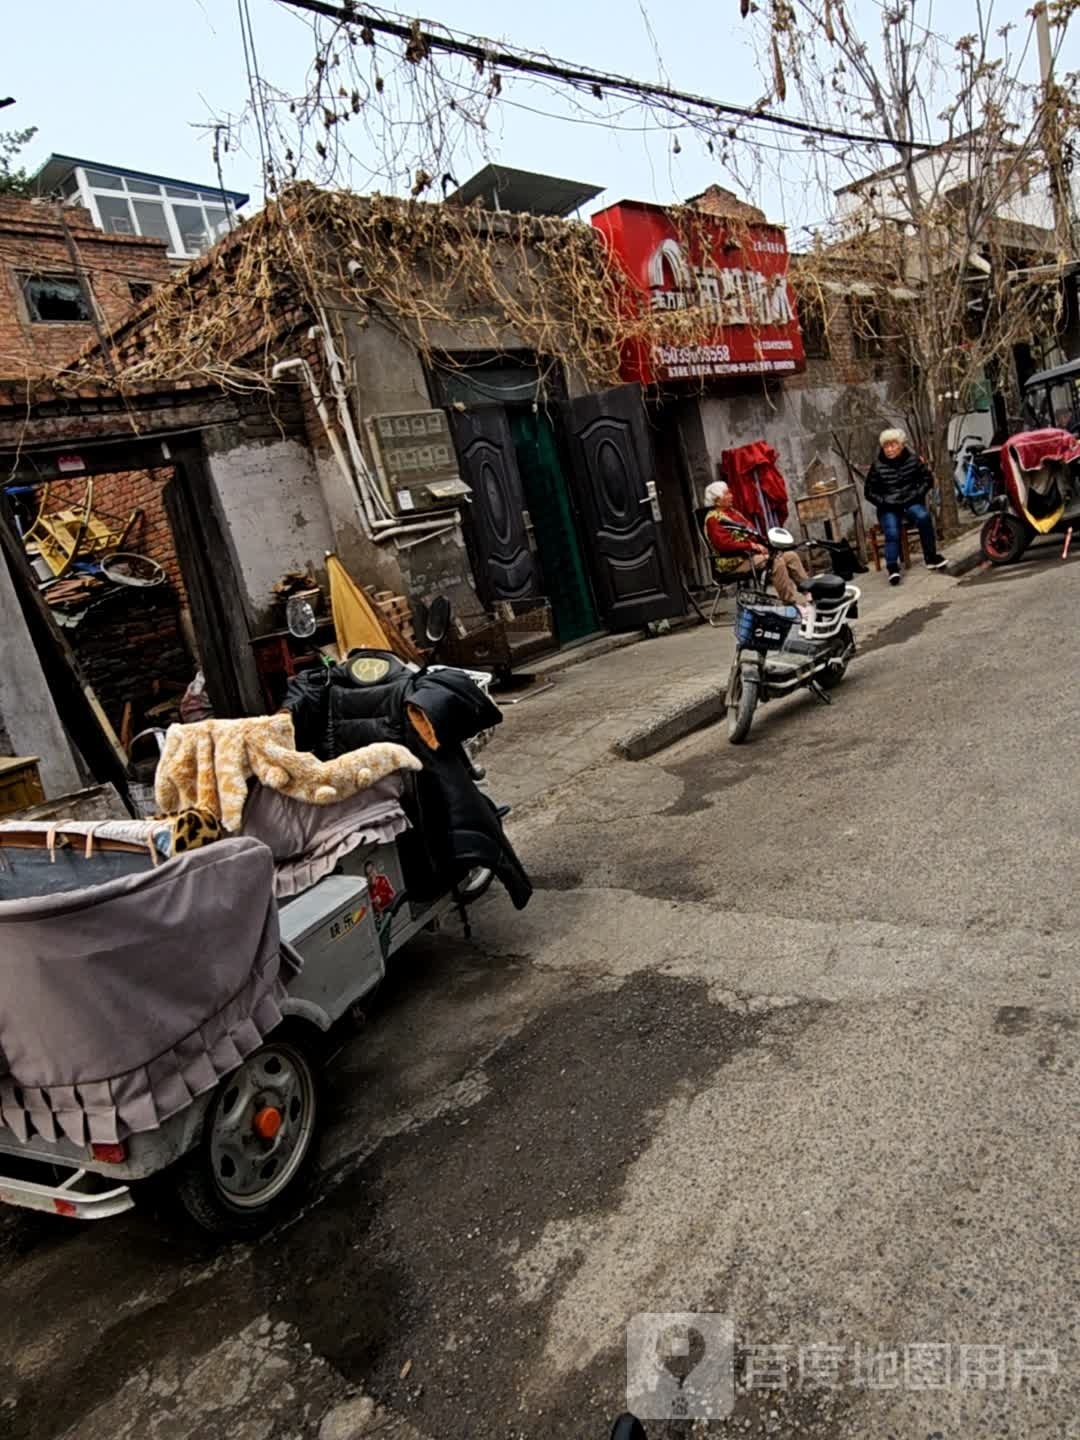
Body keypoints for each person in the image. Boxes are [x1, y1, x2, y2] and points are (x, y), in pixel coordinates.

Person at [702, 480, 811, 609]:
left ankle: (809, 591)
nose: (731, 495)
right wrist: (751, 546)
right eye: (727, 494)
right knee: (775, 561)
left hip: (750, 556)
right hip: (734, 561)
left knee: (790, 556)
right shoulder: (713, 519)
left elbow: (752, 532)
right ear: (717, 500)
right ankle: (791, 600)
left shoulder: (734, 513)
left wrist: (764, 545)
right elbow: (724, 545)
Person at [864, 429, 948, 584]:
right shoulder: (877, 466)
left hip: (910, 502)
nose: (889, 449)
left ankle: (931, 557)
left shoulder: (913, 460)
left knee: (923, 517)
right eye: (886, 446)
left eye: (893, 445)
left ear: (901, 445)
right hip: (888, 507)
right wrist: (883, 501)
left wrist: (916, 494)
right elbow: (869, 492)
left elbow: (927, 480)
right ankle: (892, 569)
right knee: (892, 531)